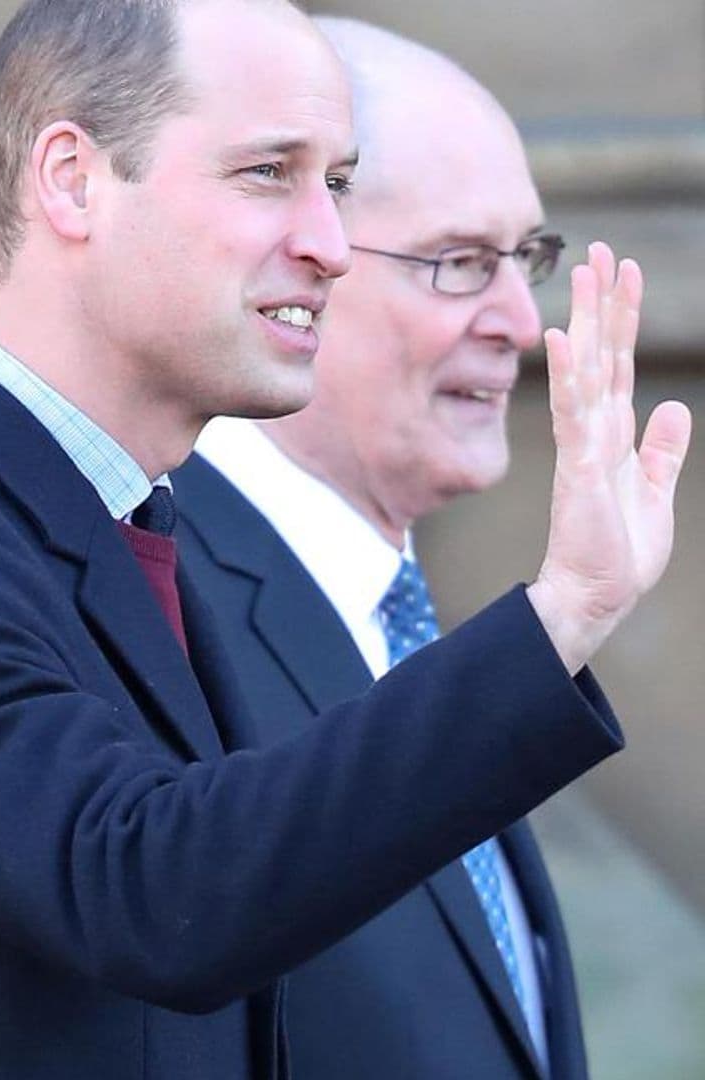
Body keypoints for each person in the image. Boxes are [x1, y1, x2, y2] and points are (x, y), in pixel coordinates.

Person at [0, 0, 690, 1076]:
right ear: (73, 181)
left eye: (341, 185)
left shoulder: (131, 532)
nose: (326, 246)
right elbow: (159, 892)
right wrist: (562, 614)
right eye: (268, 172)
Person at [174, 19, 585, 1078]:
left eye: (524, 260)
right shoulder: (158, 606)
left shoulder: (400, 618)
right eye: (460, 263)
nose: (517, 322)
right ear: (303, 265)